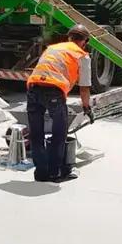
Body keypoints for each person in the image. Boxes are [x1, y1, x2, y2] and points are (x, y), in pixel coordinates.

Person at [26, 25, 93, 182]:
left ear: (69, 37)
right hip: (54, 92)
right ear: (85, 41)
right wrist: (86, 108)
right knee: (59, 134)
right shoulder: (82, 55)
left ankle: (41, 173)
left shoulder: (53, 48)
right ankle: (56, 173)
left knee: (36, 134)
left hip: (33, 88)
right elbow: (84, 88)